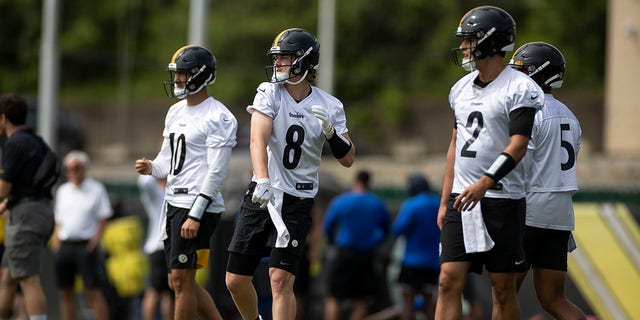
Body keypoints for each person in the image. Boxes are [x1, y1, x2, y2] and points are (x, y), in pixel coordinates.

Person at [225, 27, 356, 320]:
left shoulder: (330, 105)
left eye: (284, 58)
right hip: (263, 193)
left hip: (298, 200)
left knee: (280, 279)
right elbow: (257, 138)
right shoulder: (269, 92)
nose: (278, 64)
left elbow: (348, 159)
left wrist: (332, 134)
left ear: (304, 61)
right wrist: (262, 178)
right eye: (277, 58)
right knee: (234, 280)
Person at [435, 6, 545, 320]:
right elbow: (454, 146)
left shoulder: (520, 88)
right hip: (462, 200)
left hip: (503, 200)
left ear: (490, 41)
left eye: (470, 39)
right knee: (447, 280)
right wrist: (445, 201)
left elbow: (519, 144)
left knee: (502, 286)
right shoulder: (460, 89)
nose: (465, 46)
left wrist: (484, 183)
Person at [134, 44, 238, 320]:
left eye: (183, 73)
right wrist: (151, 167)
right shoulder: (175, 111)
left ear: (200, 75)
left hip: (196, 205)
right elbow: (167, 160)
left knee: (181, 280)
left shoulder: (219, 116)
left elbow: (216, 171)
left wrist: (195, 212)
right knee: (178, 281)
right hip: (173, 202)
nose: (177, 79)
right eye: (176, 73)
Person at [508, 42, 587, 319]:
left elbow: (518, 165)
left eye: (519, 72)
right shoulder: (571, 116)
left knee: (504, 296)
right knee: (555, 299)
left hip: (529, 210)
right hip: (561, 214)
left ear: (534, 74)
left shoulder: (530, 111)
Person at [0, 93, 57, 320]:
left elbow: (3, 188)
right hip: (40, 211)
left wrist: (7, 198)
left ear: (4, 118)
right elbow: (30, 183)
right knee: (7, 275)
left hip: (26, 217)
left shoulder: (15, 143)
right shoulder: (36, 140)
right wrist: (8, 203)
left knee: (28, 278)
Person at [322, 170, 390, 320]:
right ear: (368, 183)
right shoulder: (377, 203)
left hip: (344, 253)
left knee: (334, 296)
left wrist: (333, 242)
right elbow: (386, 228)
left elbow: (328, 226)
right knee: (361, 299)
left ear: (355, 181)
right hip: (366, 254)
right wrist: (375, 241)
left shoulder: (341, 201)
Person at [52, 150, 111, 320]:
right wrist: (57, 242)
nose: (72, 172)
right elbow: (59, 219)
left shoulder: (96, 189)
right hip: (65, 244)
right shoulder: (63, 191)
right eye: (69, 168)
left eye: (76, 168)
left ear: (84, 168)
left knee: (93, 291)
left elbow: (103, 218)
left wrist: (93, 243)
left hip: (85, 245)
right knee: (66, 291)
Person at [392, 173, 440, 320]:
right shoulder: (438, 203)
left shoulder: (411, 204)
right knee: (430, 305)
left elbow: (397, 229)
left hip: (411, 262)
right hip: (433, 262)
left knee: (408, 305)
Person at [137, 175, 174, 320]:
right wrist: (159, 166)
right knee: (154, 290)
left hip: (173, 248)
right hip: (158, 248)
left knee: (170, 292)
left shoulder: (175, 193)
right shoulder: (155, 193)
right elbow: (144, 181)